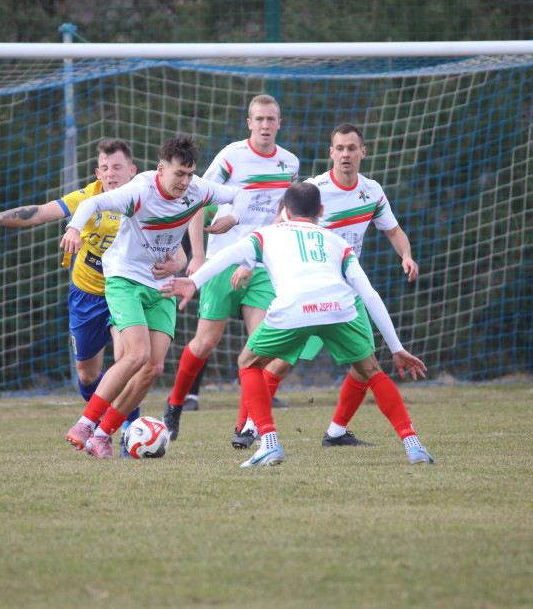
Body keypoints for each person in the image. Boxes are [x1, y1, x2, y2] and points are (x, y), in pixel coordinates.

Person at [161, 182, 431, 467]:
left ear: (285, 212)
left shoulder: (266, 235)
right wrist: (397, 347)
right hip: (338, 308)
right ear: (321, 212)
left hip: (294, 308)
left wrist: (193, 281)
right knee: (372, 371)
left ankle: (268, 442)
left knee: (249, 362)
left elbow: (226, 256)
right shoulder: (338, 242)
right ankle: (413, 446)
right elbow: (369, 294)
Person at [0, 139, 184, 451]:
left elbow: (177, 250)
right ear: (97, 172)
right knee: (88, 376)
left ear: (132, 170)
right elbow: (38, 213)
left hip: (126, 292)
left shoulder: (146, 198)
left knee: (130, 357)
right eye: (104, 168)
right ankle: (106, 423)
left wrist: (179, 263)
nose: (110, 173)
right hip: (86, 296)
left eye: (117, 167)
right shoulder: (89, 197)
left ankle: (123, 429)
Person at [237, 123, 424, 452]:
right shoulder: (314, 191)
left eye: (352, 148)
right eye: (339, 148)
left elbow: (394, 231)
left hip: (347, 296)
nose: (346, 154)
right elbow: (276, 229)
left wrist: (406, 255)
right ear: (331, 153)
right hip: (311, 291)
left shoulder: (372, 191)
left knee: (364, 365)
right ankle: (250, 425)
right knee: (279, 360)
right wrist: (249, 262)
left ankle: (336, 431)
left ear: (362, 152)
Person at [61, 135, 249, 459]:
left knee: (153, 367)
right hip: (124, 278)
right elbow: (93, 203)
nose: (186, 182)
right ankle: (85, 423)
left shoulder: (196, 190)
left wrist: (233, 217)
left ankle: (103, 434)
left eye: (190, 174)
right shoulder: (142, 190)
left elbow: (241, 195)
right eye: (179, 174)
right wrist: (75, 228)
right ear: (161, 169)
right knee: (135, 355)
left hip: (162, 285)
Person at [162, 94, 299, 446]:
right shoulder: (231, 157)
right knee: (206, 342)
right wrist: (197, 256)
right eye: (259, 119)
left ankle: (245, 427)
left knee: (262, 347)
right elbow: (196, 201)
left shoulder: (290, 163)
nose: (266, 125)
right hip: (223, 261)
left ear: (279, 124)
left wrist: (261, 257)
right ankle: (175, 405)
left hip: (261, 263)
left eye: (272, 119)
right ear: (249, 123)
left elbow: (280, 213)